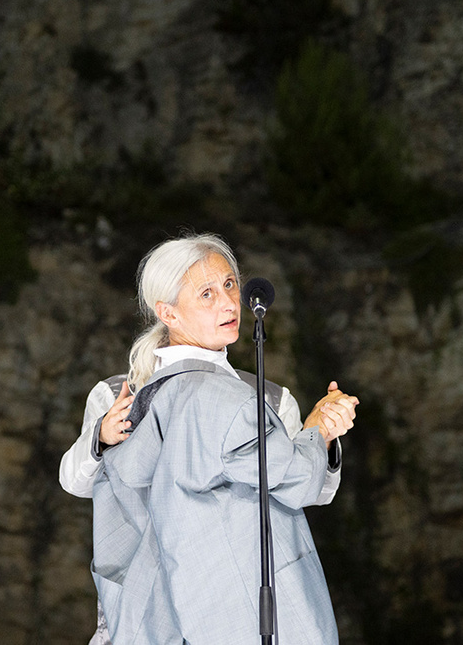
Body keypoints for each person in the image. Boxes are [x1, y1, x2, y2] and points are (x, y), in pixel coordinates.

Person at [62, 233, 357, 644]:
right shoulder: (117, 395)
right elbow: (75, 481)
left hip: (240, 611)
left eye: (230, 284)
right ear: (168, 312)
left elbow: (310, 490)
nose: (228, 302)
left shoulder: (270, 398)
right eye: (206, 293)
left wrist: (323, 434)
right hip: (147, 614)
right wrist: (100, 438)